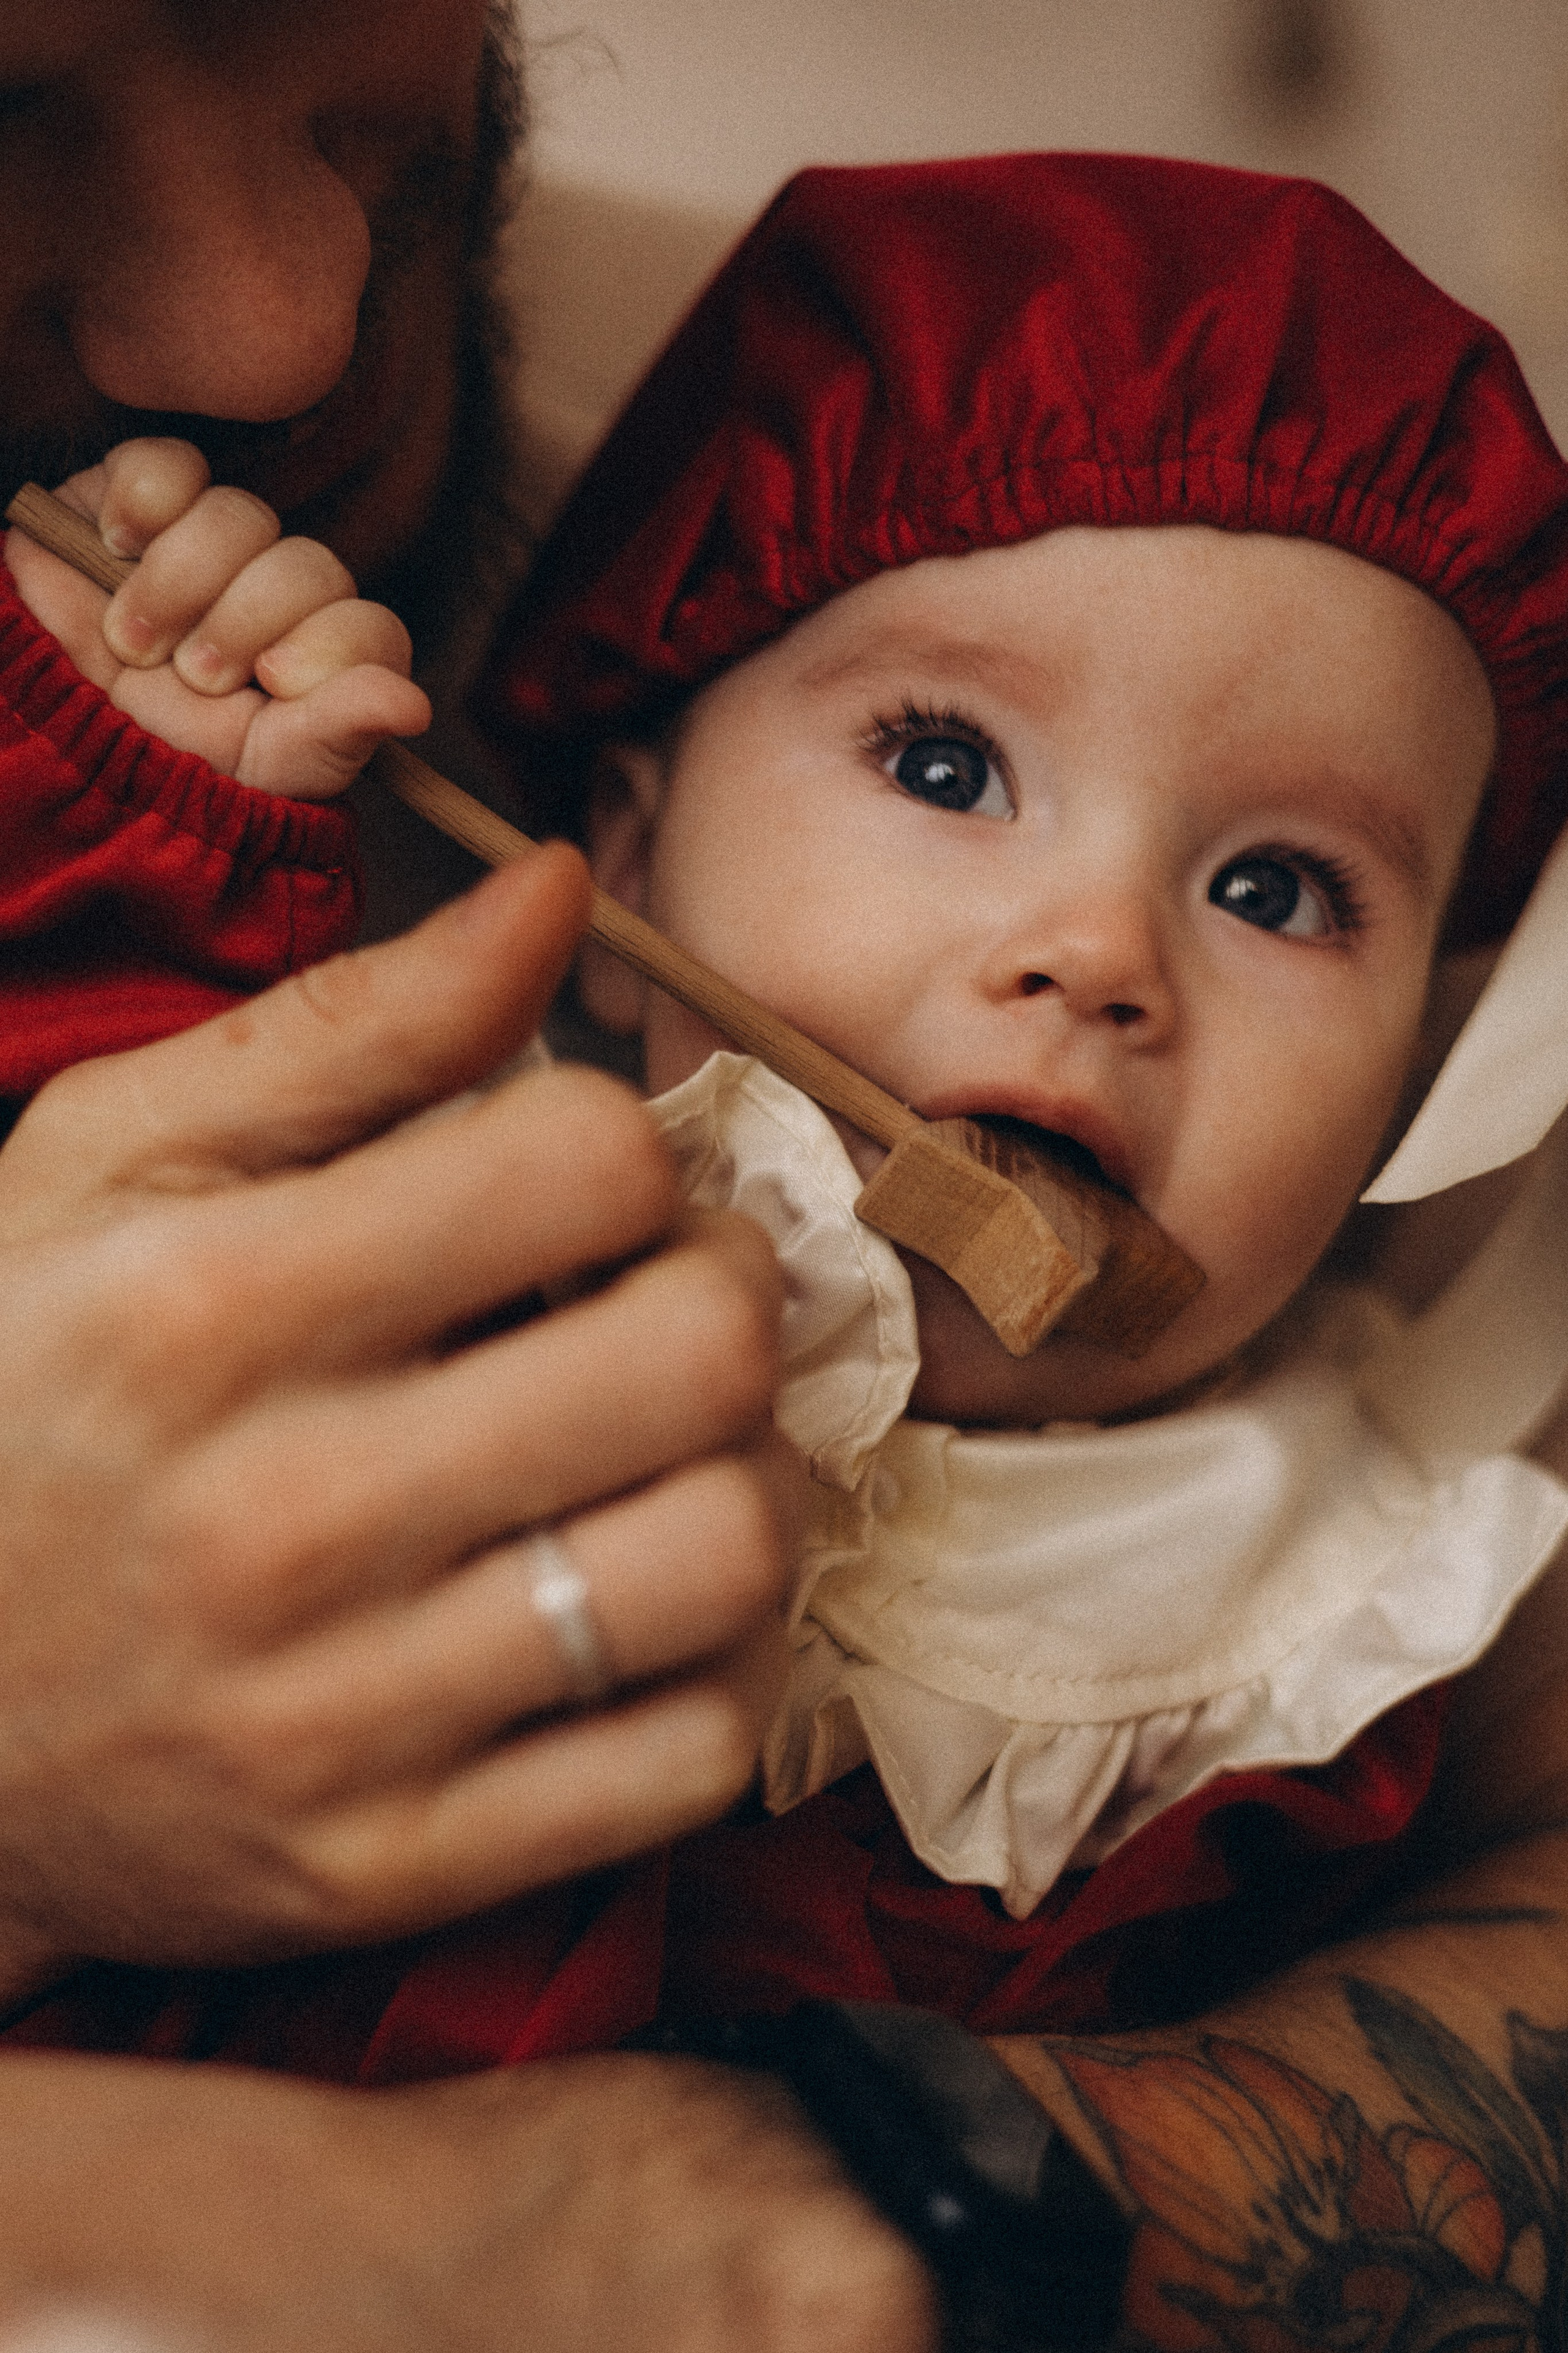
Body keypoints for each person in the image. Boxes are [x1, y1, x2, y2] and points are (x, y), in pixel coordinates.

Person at [9, 140, 1568, 2351]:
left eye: (1279, 890)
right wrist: (161, 804)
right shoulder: (433, 1214)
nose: (1097, 953)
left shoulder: (1348, 1612)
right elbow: (104, 1189)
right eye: (945, 764)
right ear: (626, 870)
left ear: (1419, 1079)